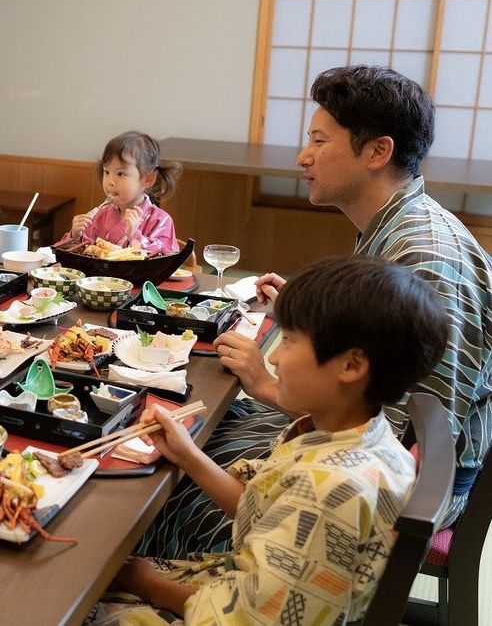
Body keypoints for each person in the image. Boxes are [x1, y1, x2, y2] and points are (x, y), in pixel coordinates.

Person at [140, 64, 492, 559]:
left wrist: (269, 386)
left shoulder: (425, 256)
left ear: (378, 151)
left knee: (172, 488)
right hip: (370, 447)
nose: (304, 156)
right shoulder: (397, 224)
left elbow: (404, 438)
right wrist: (312, 316)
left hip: (407, 486)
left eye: (320, 141)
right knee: (211, 426)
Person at [88, 256, 448, 625]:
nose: (274, 355)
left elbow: (247, 617)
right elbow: (258, 509)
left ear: (351, 366)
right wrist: (188, 455)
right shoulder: (355, 434)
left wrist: (149, 584)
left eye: (289, 340)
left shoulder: (332, 493)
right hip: (245, 586)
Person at [64, 131, 181, 254]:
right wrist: (76, 236)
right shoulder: (100, 215)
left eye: (120, 174)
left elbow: (166, 259)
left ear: (148, 179)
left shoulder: (161, 220)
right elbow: (83, 254)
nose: (110, 182)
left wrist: (135, 236)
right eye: (107, 172)